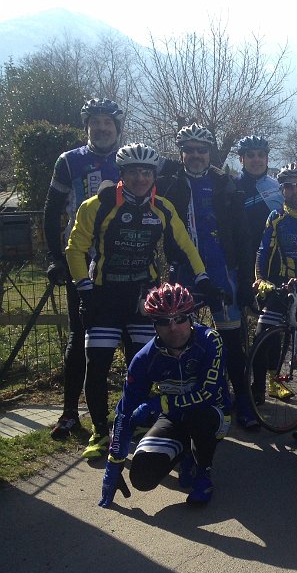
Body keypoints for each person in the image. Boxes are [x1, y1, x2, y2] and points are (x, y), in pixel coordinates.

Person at [65, 143, 220, 459]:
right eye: (134, 171)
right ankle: (99, 430)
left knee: (143, 364)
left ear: (154, 175)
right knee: (98, 364)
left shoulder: (162, 207)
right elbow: (75, 249)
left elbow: (186, 245)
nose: (140, 178)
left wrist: (202, 276)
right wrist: (84, 289)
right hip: (104, 294)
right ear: (122, 173)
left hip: (142, 296)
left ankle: (134, 423)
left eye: (146, 172)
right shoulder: (97, 205)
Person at [155, 124, 258, 429]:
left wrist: (245, 282)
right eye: (189, 150)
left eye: (202, 150)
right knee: (181, 341)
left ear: (210, 153)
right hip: (184, 273)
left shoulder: (225, 183)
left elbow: (243, 235)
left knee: (232, 342)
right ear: (181, 153)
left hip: (222, 271)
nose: (196, 155)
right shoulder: (169, 183)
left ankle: (243, 402)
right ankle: (193, 402)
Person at [98, 283, 231, 508]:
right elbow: (125, 410)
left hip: (211, 414)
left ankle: (203, 475)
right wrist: (114, 462)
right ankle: (186, 453)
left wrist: (158, 404)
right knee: (142, 478)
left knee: (198, 417)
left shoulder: (210, 341)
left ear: (190, 318)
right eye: (163, 321)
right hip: (173, 416)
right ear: (154, 325)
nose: (173, 328)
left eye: (180, 318)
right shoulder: (144, 358)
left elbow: (207, 394)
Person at [42, 98, 124, 440]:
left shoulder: (128, 160)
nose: (102, 128)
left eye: (108, 122)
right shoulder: (69, 161)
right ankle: (69, 414)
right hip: (81, 262)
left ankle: (130, 411)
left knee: (129, 337)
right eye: (96, 122)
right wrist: (54, 257)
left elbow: (175, 169)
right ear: (86, 126)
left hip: (122, 263)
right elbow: (51, 212)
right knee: (79, 338)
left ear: (117, 128)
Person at [250, 163, 297, 417]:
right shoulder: (276, 216)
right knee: (262, 335)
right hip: (283, 283)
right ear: (281, 190)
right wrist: (261, 279)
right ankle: (260, 388)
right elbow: (263, 251)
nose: (294, 191)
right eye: (288, 186)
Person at [235, 135, 282, 268]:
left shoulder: (278, 187)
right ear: (241, 159)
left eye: (261, 155)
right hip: (241, 261)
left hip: (273, 260)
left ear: (267, 159)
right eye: (250, 155)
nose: (256, 159)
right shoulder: (231, 186)